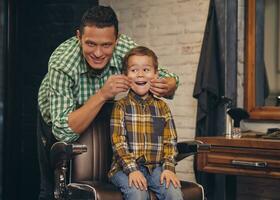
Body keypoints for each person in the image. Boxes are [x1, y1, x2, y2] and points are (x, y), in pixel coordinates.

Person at [36, 5, 179, 200]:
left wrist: (169, 85)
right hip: (59, 117)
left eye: (106, 45)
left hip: (102, 113)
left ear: (117, 40)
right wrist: (102, 94)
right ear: (79, 37)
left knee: (104, 175)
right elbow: (63, 131)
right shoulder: (62, 63)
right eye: (90, 44)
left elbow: (166, 77)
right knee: (50, 189)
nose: (98, 53)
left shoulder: (125, 48)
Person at [109, 46, 183, 200]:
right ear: (126, 76)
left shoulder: (162, 107)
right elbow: (118, 143)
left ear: (156, 74)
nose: (140, 74)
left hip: (155, 168)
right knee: (138, 193)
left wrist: (169, 168)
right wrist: (132, 170)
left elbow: (170, 142)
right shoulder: (120, 106)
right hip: (124, 169)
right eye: (134, 70)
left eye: (146, 70)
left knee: (173, 191)